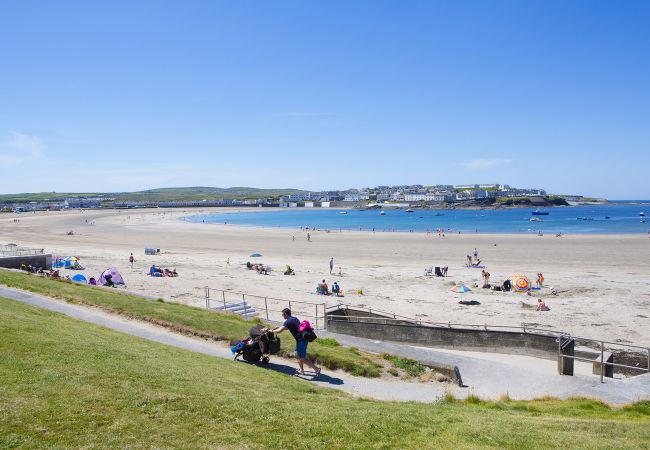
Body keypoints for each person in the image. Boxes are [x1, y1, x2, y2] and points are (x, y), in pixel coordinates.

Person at [272, 308, 321, 377]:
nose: (282, 316)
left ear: (285, 314)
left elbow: (279, 331)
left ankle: (317, 369)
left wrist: (272, 331)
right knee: (297, 355)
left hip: (301, 341)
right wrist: (279, 328)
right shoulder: (294, 318)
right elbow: (288, 327)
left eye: (283, 314)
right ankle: (302, 370)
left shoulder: (288, 321)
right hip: (302, 340)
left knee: (302, 358)